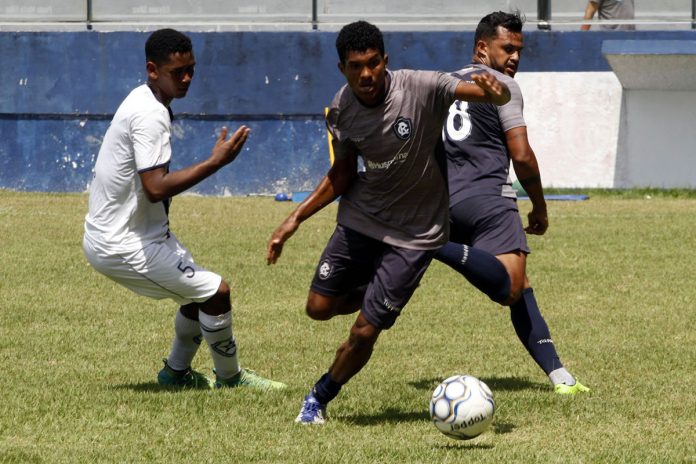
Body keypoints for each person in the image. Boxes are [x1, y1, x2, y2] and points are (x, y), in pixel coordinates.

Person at [266, 20, 511, 424]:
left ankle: (318, 397)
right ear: (342, 68)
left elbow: (473, 92)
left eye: (374, 63)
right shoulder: (341, 109)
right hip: (362, 218)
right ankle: (375, 291)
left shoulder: (419, 86)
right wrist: (293, 220)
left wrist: (495, 92)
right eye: (356, 65)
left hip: (416, 233)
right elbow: (341, 174)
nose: (366, 74)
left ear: (386, 61)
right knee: (318, 308)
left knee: (364, 331)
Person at [83, 28, 285, 391]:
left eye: (191, 68)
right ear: (152, 69)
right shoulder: (149, 114)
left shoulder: (146, 100)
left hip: (143, 234)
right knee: (216, 292)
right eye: (178, 72)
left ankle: (175, 374)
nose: (188, 78)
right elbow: (155, 186)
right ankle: (230, 377)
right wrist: (215, 163)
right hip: (121, 243)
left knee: (197, 296)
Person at [434, 11, 589, 395]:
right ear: (482, 48)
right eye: (508, 48)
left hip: (442, 204)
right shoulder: (501, 85)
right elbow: (520, 154)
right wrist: (539, 205)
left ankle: (559, 375)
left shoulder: (443, 84)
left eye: (519, 50)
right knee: (511, 286)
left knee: (521, 283)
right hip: (488, 199)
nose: (515, 58)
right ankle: (431, 245)